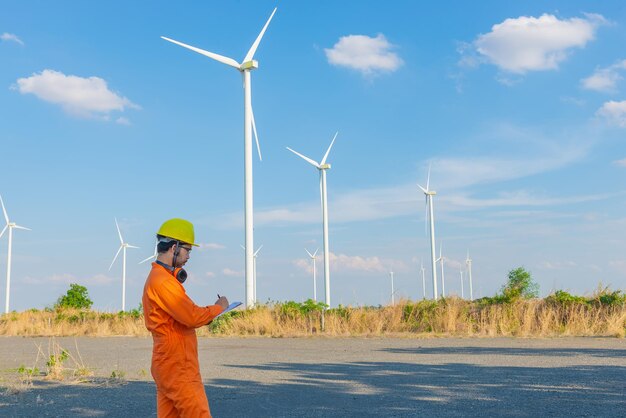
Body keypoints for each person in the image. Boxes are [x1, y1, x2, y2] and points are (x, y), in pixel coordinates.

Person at [142, 218, 228, 418]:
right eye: (187, 250)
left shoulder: (160, 278)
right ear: (174, 247)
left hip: (166, 362)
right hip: (178, 364)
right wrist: (219, 308)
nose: (189, 255)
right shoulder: (163, 281)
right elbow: (191, 316)